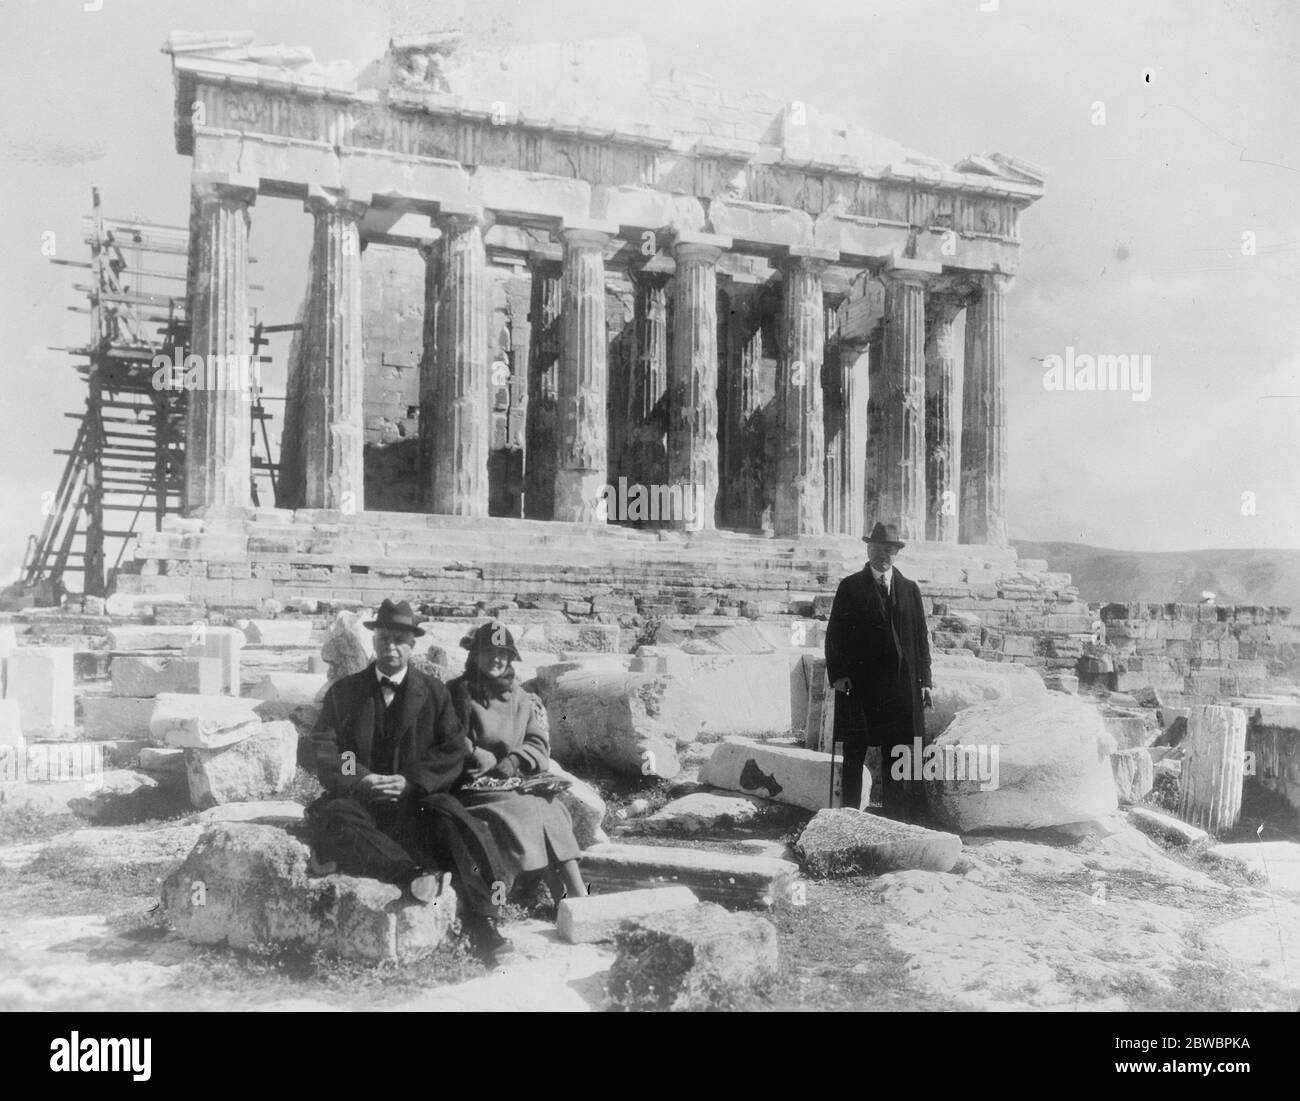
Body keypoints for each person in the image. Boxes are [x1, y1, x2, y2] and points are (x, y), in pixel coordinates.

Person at [301, 598, 514, 960]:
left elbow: (451, 749)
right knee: (335, 816)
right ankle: (413, 876)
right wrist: (362, 778)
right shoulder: (346, 692)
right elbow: (324, 749)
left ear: (412, 644)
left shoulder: (434, 692)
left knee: (454, 816)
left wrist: (410, 781)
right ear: (374, 641)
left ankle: (486, 921)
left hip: (415, 805)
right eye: (384, 638)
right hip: (361, 803)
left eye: (400, 639)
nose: (391, 647)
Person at [446, 622, 587, 914]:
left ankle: (575, 897)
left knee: (550, 806)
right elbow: (452, 740)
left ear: (510, 659)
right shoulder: (458, 693)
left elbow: (537, 742)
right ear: (474, 655)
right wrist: (485, 760)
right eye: (488, 652)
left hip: (512, 780)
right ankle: (567, 901)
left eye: (503, 654)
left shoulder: (519, 696)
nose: (496, 659)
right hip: (474, 786)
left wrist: (515, 761)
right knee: (526, 808)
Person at [824, 521, 933, 818]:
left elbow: (921, 639)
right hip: (860, 685)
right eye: (876, 548)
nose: (882, 554)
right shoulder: (849, 587)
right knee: (855, 751)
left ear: (896, 553)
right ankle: (847, 814)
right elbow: (834, 634)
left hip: (900, 687)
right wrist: (839, 674)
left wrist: (926, 681)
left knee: (897, 751)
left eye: (888, 549)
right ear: (867, 549)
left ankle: (896, 814)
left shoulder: (910, 589)